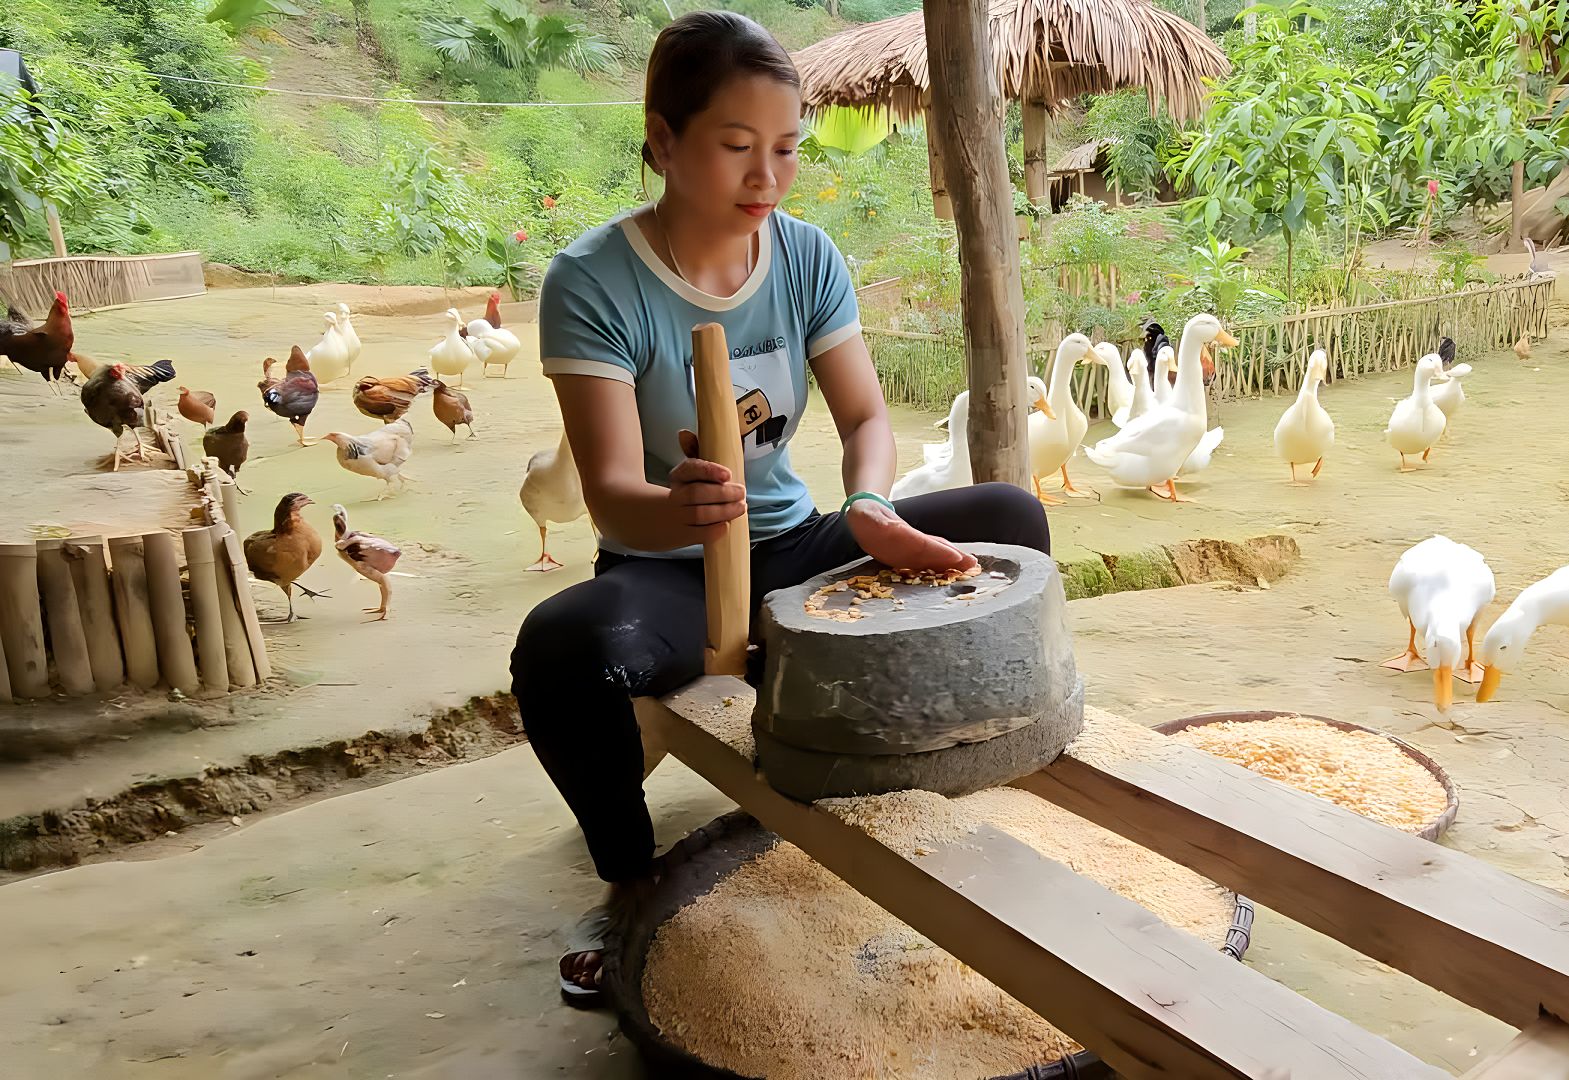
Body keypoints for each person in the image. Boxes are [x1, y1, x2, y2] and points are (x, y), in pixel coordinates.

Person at [510, 10, 1050, 1006]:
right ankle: (630, 885)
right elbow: (614, 493)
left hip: (797, 546)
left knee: (1011, 519)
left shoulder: (803, 257)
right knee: (561, 648)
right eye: (736, 148)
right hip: (664, 568)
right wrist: (687, 512)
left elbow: (865, 415)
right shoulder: (593, 280)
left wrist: (873, 503)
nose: (768, 178)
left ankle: (947, 774)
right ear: (665, 141)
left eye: (788, 150)